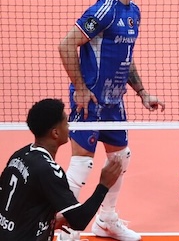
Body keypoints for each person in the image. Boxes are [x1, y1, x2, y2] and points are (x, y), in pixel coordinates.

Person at [57, 0, 166, 241]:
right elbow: (66, 45)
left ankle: (105, 220)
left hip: (114, 101)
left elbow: (125, 58)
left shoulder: (134, 12)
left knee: (120, 158)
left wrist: (142, 92)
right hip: (91, 100)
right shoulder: (104, 10)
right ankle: (66, 228)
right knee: (82, 164)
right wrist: (81, 89)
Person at [0, 98, 123, 241]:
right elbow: (79, 220)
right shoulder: (48, 170)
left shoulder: (19, 155)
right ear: (55, 133)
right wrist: (104, 185)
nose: (69, 126)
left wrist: (49, 220)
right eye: (66, 122)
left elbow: (12, 201)